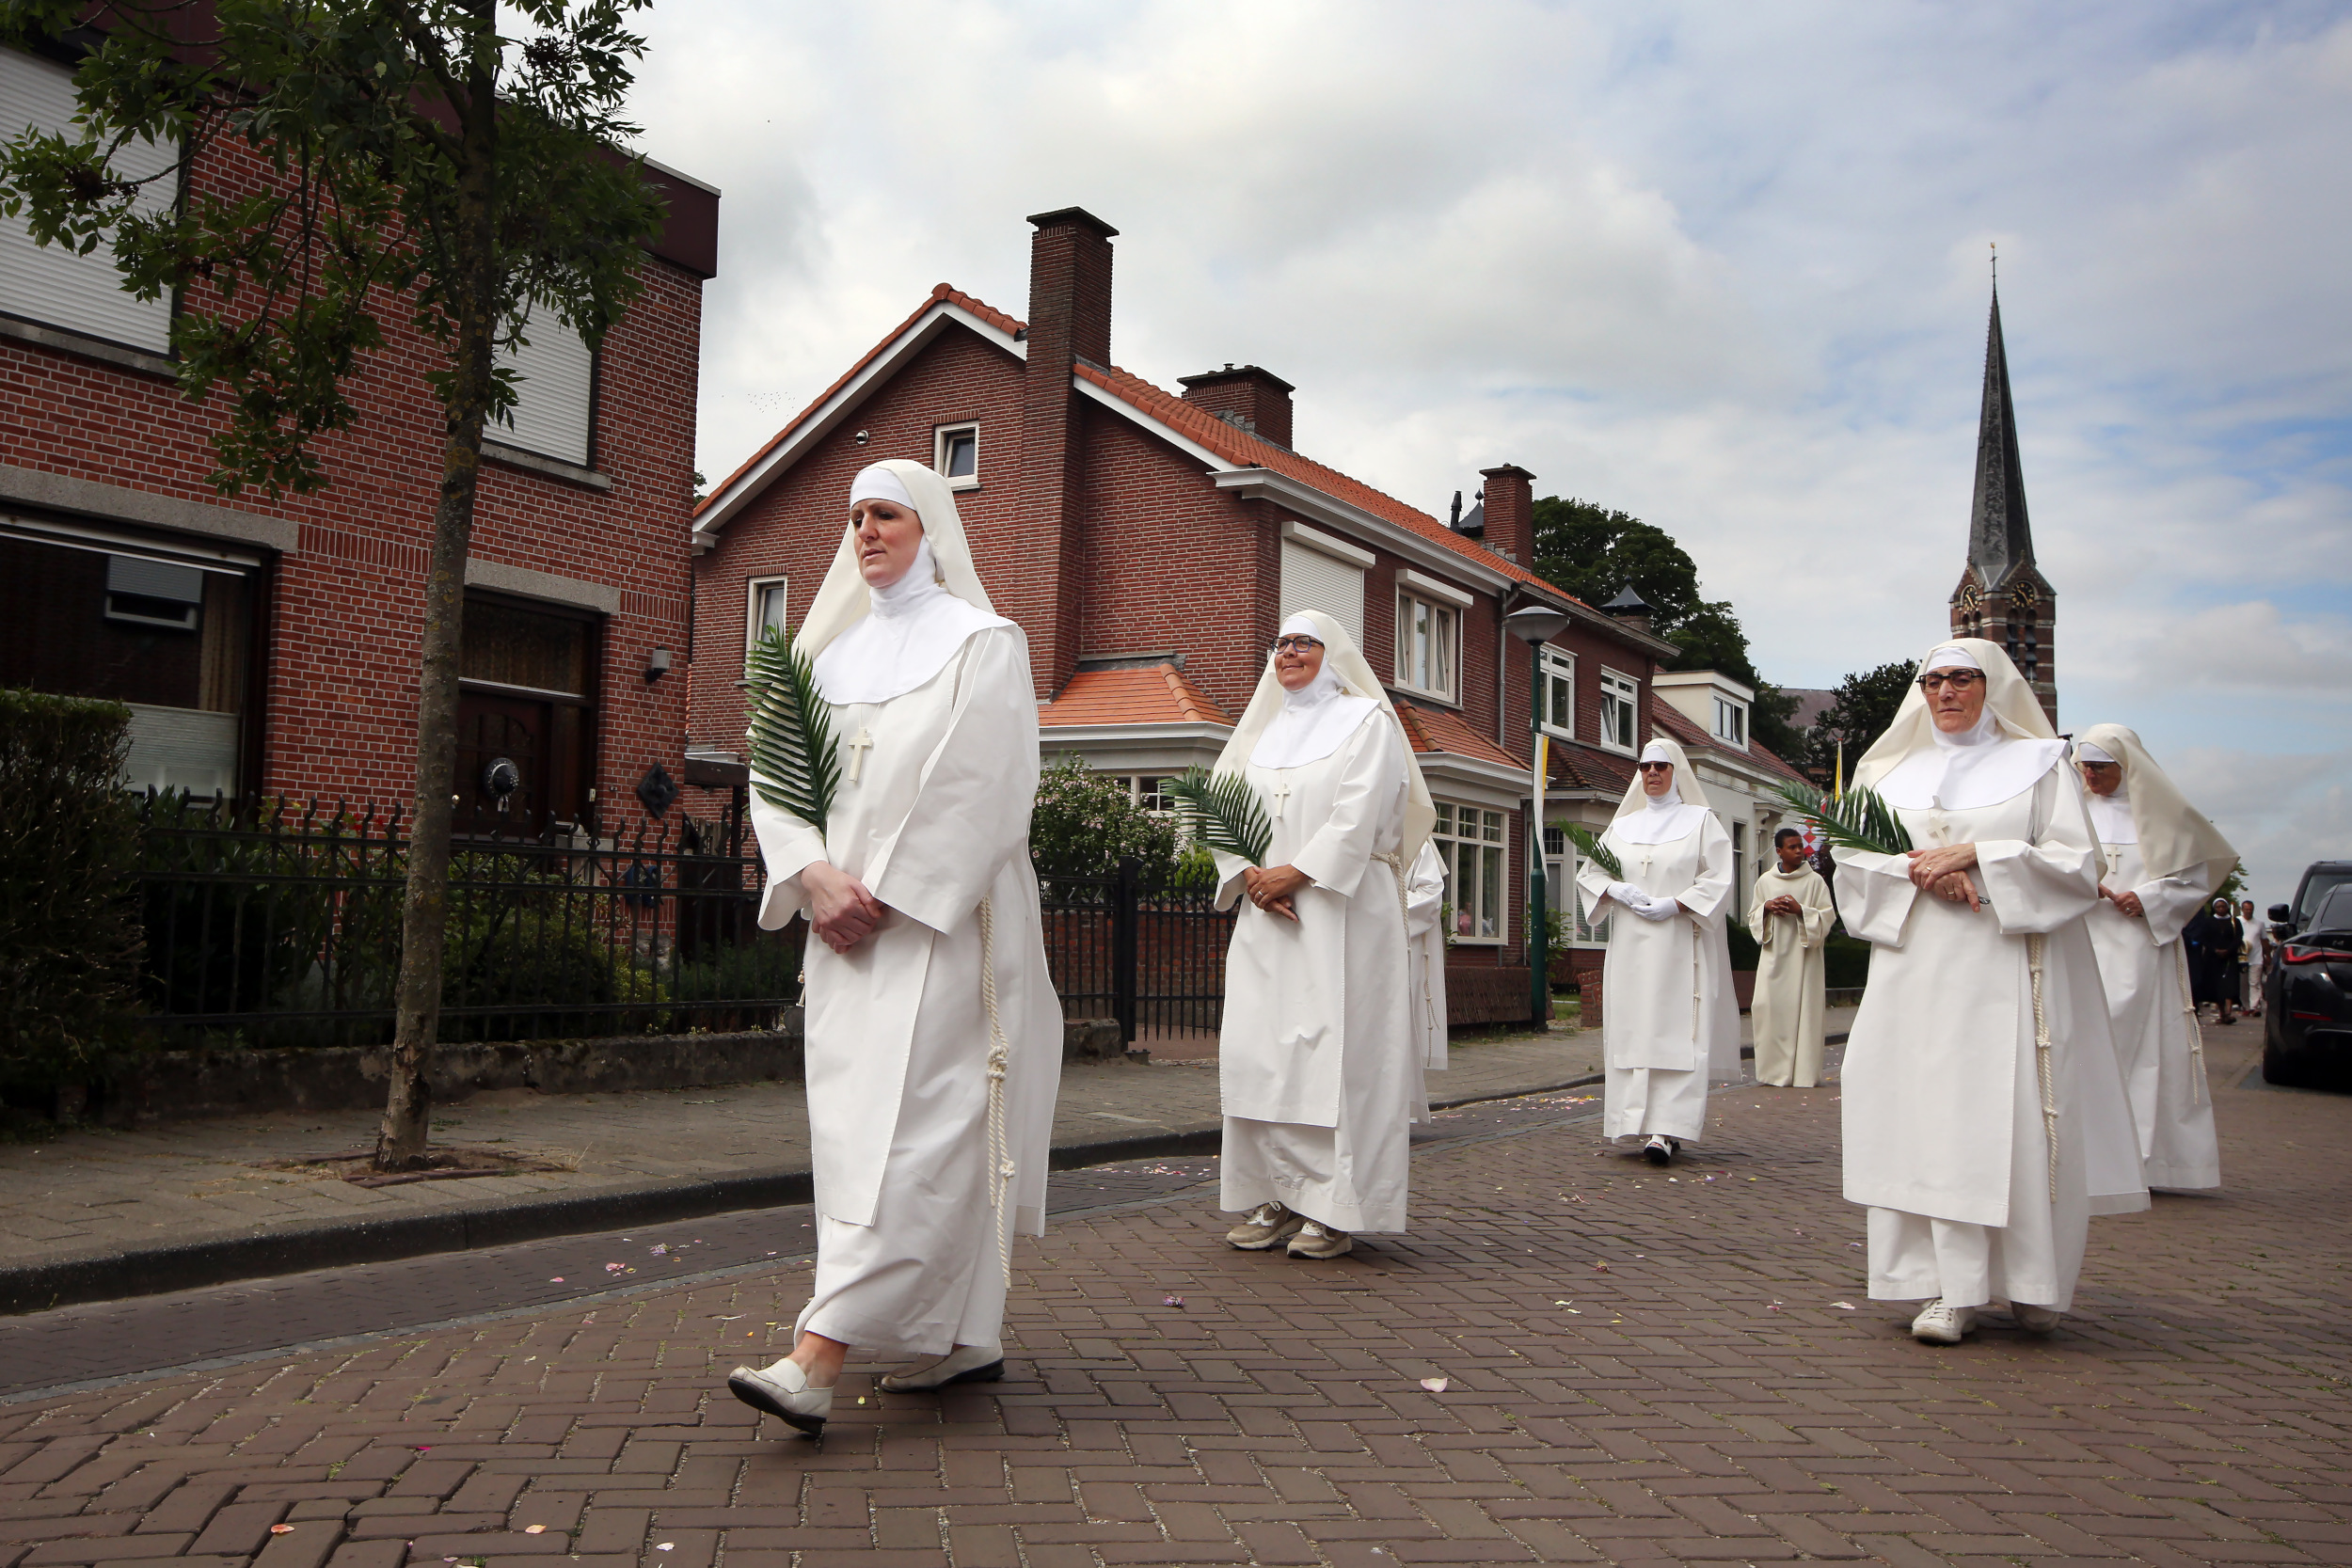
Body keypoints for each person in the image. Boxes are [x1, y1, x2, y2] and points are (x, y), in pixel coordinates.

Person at [725, 460, 1063, 1435]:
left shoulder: (982, 643)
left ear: (931, 529)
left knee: (921, 1130)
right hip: (842, 929)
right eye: (855, 517)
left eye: (885, 515)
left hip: (945, 929)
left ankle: (815, 1355)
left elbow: (985, 785)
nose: (865, 530)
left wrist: (899, 893)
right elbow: (780, 781)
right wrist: (813, 877)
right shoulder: (824, 659)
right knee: (853, 1133)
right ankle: (965, 1333)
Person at [1833, 641, 2145, 1345]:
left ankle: (2034, 1282)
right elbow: (1852, 864)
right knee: (1933, 1120)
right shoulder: (1885, 771)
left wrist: (1978, 853)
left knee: (2018, 1120)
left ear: (1991, 686)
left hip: (2012, 969)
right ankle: (1951, 1287)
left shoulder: (2041, 764)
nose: (1946, 692)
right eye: (1933, 680)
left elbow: (2075, 863)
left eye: (1962, 679)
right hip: (1917, 970)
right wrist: (1922, 873)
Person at [1212, 610, 1433, 1260]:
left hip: (1338, 916)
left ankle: (1333, 1205)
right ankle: (1274, 1193)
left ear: (1331, 653)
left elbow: (1359, 814)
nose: (1288, 652)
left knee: (1337, 1057)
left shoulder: (1367, 722)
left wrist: (1295, 872)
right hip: (1267, 920)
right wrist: (1249, 871)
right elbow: (1222, 807)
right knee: (1263, 1056)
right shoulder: (1260, 731)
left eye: (1303, 642)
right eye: (1280, 643)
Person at [2074, 726, 2235, 1193]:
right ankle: (2079, 1160)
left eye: (2100, 767)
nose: (2090, 776)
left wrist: (2148, 898)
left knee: (2144, 1054)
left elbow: (2196, 877)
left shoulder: (2164, 815)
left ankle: (2143, 1164)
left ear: (2126, 769)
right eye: (2085, 767)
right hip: (2081, 941)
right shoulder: (2072, 813)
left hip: (2140, 947)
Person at [1574, 737, 1740, 1165]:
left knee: (1677, 1031)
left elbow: (1720, 877)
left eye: (1661, 767)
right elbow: (1589, 873)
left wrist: (1677, 903)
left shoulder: (1701, 820)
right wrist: (1616, 889)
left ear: (1676, 772)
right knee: (1634, 1029)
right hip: (1631, 949)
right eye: (1645, 766)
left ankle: (1667, 1129)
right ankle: (1634, 1120)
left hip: (1679, 948)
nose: (1652, 773)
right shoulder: (1622, 826)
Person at [1746, 826, 1835, 1087]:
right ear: (1779, 851)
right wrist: (1766, 908)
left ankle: (1803, 1074)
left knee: (1804, 1014)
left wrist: (1801, 911)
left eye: (1800, 846)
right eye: (1793, 847)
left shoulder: (1815, 881)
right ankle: (1772, 1073)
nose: (1799, 851)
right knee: (1767, 1009)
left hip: (1805, 959)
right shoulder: (1765, 882)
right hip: (1773, 959)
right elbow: (1751, 918)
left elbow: (1827, 916)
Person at [1404, 839, 1452, 1120]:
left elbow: (1431, 893)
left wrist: (1380, 904)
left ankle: (1399, 1107)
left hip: (1397, 943)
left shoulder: (1415, 837)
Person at [2184, 897, 2239, 1025]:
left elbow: (2200, 931)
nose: (2221, 909)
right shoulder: (2208, 920)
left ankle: (2196, 1012)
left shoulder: (2199, 908)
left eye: (2223, 906)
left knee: (2196, 983)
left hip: (2197, 952)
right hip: (2200, 952)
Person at [2239, 900, 2265, 1016]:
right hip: (2242, 958)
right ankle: (2246, 1006)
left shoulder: (2259, 924)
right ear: (2242, 909)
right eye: (2246, 909)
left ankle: (2254, 1006)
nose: (2249, 911)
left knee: (2254, 983)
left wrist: (2267, 956)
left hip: (2256, 957)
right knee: (2243, 983)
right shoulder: (2237, 921)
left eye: (2251, 909)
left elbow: (2264, 940)